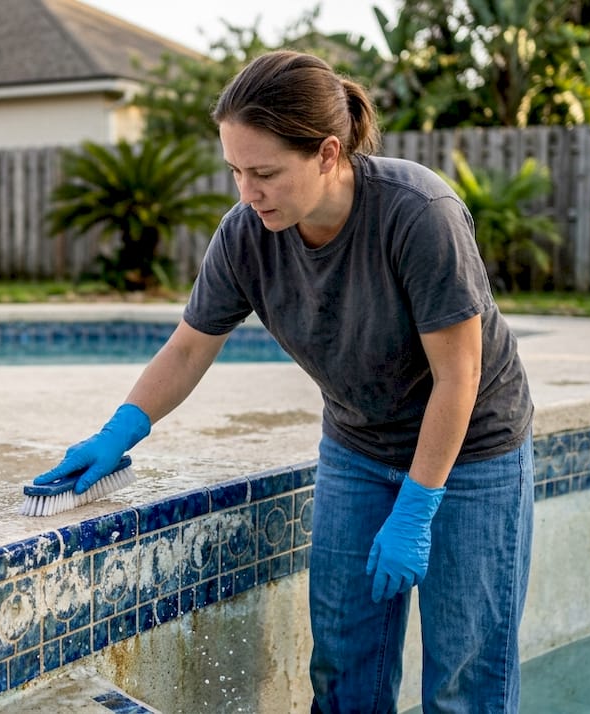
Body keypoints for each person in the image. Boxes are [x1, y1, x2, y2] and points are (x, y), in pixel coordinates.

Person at [33, 50, 535, 713]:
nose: (248, 192)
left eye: (265, 173)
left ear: (328, 154)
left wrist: (417, 507)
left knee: (465, 680)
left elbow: (459, 374)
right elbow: (188, 348)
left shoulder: (418, 213)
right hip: (360, 448)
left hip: (472, 452)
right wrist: (118, 431)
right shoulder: (247, 235)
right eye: (236, 171)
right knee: (344, 670)